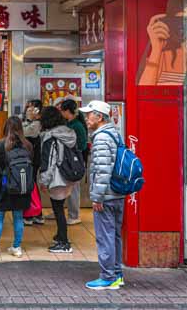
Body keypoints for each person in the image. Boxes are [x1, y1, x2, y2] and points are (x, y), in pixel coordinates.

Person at [81, 100, 126, 290]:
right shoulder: (115, 135)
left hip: (106, 196)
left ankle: (107, 277)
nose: (86, 118)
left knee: (105, 236)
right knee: (114, 235)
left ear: (99, 117)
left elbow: (101, 170)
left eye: (89, 114)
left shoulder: (101, 138)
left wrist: (97, 197)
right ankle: (116, 274)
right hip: (117, 193)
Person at [0, 117, 32, 259]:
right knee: (18, 216)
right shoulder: (27, 145)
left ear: (6, 128)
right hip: (22, 185)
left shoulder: (1, 144)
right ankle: (16, 247)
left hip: (4, 183)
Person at [38, 105, 77, 253]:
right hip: (68, 176)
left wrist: (43, 181)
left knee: (58, 209)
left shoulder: (50, 137)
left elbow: (48, 161)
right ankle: (60, 235)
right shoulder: (68, 133)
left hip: (57, 178)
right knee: (60, 207)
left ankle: (64, 242)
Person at [59, 99, 88, 225]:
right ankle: (67, 212)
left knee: (74, 188)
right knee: (66, 187)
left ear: (67, 111)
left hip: (75, 162)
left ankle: (74, 215)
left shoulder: (77, 126)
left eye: (62, 110)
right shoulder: (69, 123)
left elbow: (82, 145)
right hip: (68, 160)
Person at [22, 100, 44, 226]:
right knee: (31, 184)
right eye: (28, 109)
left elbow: (25, 133)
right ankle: (35, 213)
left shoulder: (38, 124)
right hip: (29, 158)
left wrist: (30, 120)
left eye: (32, 109)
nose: (28, 111)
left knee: (30, 184)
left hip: (33, 159)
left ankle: (33, 214)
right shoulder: (29, 122)